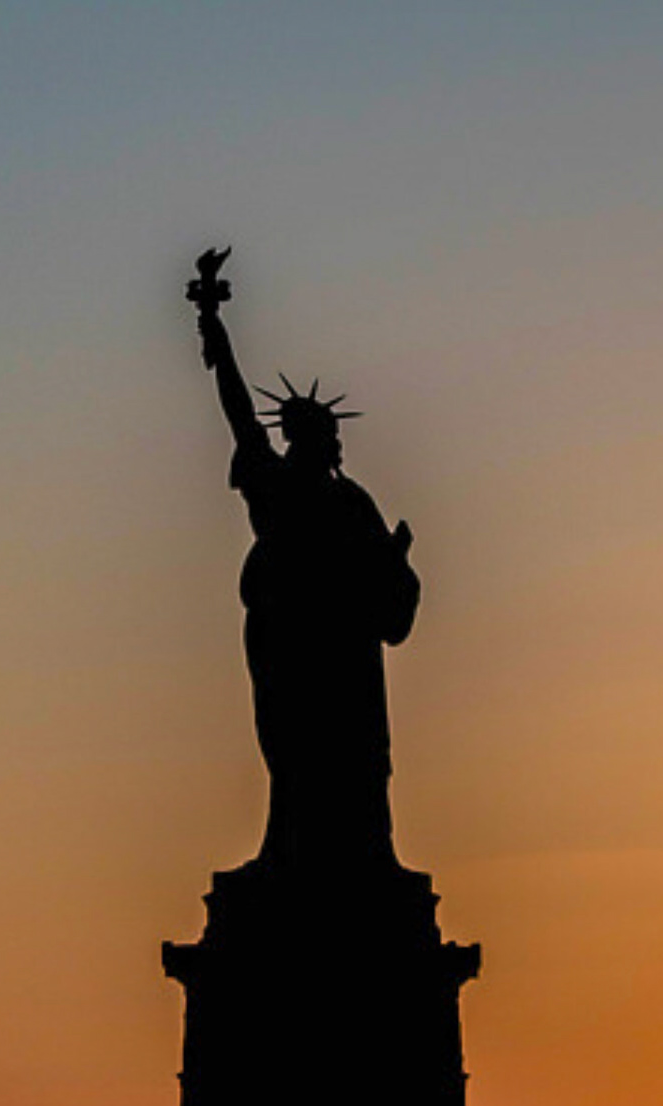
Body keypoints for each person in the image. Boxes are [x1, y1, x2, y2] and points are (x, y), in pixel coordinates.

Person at [189, 249, 419, 875]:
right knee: (293, 751)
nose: (333, 444)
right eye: (324, 436)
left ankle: (363, 858)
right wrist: (213, 324)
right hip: (289, 643)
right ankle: (290, 852)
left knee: (356, 755)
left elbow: (387, 597)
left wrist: (395, 563)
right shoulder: (274, 483)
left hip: (344, 654)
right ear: (304, 438)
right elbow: (236, 408)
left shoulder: (351, 502)